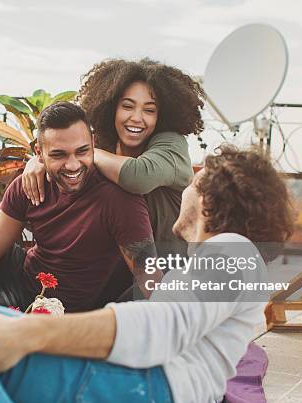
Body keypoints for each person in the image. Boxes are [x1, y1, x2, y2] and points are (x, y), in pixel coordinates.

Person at [0, 144, 293, 403]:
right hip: (120, 377)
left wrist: (29, 333)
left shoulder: (234, 252)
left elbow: (161, 330)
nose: (187, 184)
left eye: (197, 178)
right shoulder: (220, 259)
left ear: (213, 196)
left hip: (145, 389)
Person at [22, 58, 204, 302]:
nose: (137, 118)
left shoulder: (172, 145)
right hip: (114, 273)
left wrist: (73, 153)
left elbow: (137, 176)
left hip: (166, 275)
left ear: (162, 115)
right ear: (111, 107)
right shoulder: (106, 146)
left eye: (149, 110)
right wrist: (40, 160)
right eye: (127, 106)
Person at [0, 102, 162, 312]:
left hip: (63, 312)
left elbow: (148, 277)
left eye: (82, 151)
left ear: (93, 143)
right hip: (23, 278)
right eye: (58, 155)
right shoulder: (30, 184)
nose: (73, 165)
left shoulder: (119, 199)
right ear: (39, 153)